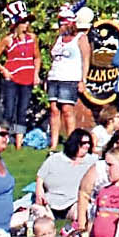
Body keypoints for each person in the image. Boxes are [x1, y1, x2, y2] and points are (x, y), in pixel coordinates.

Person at [0, 4, 41, 137]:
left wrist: (36, 75)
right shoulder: (7, 40)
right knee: (9, 110)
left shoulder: (32, 38)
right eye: (23, 22)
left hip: (27, 77)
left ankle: (19, 141)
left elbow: (37, 57)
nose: (26, 24)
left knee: (22, 111)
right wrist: (3, 70)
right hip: (12, 78)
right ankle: (4, 136)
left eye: (27, 21)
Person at [45, 13, 90, 150]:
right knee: (54, 110)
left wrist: (83, 79)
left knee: (67, 109)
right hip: (55, 77)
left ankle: (71, 142)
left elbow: (86, 59)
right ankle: (53, 144)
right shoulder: (58, 39)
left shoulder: (80, 38)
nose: (61, 27)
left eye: (64, 24)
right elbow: (52, 57)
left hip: (70, 78)